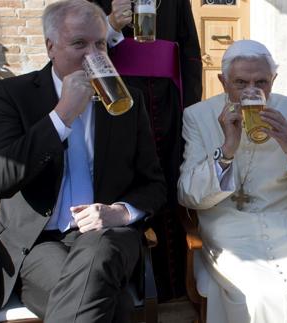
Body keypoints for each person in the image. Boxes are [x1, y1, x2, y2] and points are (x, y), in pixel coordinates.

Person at [0, 0, 166, 321]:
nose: (93, 55)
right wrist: (62, 115)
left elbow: (154, 184)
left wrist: (120, 212)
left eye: (100, 44)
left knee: (98, 251)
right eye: (79, 44)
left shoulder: (126, 100)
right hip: (39, 244)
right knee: (114, 305)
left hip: (110, 235)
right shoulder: (14, 94)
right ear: (50, 46)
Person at [177, 40, 287, 323]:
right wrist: (227, 150)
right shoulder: (197, 116)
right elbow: (188, 195)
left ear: (274, 81)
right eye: (240, 82)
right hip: (228, 225)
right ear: (223, 82)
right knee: (256, 296)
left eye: (261, 82)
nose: (251, 91)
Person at [92, 0, 203, 300]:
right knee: (123, 183)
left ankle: (175, 286)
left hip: (168, 105)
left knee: (168, 184)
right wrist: (111, 23)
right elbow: (81, 46)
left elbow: (190, 51)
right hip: (117, 101)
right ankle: (129, 288)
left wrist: (190, 109)